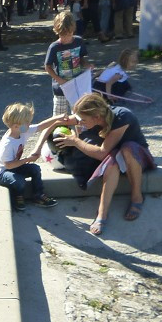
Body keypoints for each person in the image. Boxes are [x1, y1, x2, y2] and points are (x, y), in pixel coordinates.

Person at [53, 92, 155, 236]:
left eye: (82, 119)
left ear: (97, 117)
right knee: (112, 161)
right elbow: (57, 122)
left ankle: (137, 197)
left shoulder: (121, 117)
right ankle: (102, 214)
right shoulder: (89, 118)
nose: (79, 122)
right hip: (115, 158)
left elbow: (102, 152)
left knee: (127, 148)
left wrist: (75, 141)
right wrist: (36, 145)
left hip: (137, 157)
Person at [0, 103, 57, 212]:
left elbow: (41, 126)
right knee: (19, 181)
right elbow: (8, 165)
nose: (30, 124)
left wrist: (58, 118)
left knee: (35, 169)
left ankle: (38, 195)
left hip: (14, 167)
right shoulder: (8, 143)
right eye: (27, 122)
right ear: (16, 126)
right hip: (2, 172)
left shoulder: (22, 131)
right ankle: (17, 196)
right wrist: (27, 159)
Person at [44, 12, 91, 116]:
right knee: (59, 118)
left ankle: (80, 133)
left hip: (76, 86)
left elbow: (81, 58)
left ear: (73, 30)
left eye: (69, 34)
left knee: (79, 115)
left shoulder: (79, 41)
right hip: (61, 88)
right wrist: (59, 80)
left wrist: (86, 64)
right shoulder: (54, 47)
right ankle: (59, 132)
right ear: (57, 32)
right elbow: (47, 67)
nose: (66, 38)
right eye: (62, 35)